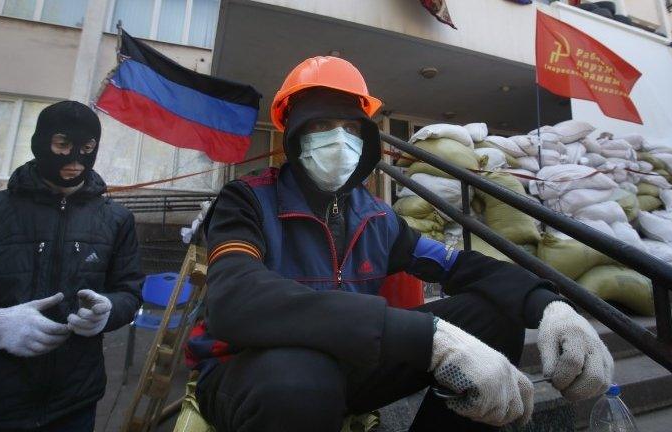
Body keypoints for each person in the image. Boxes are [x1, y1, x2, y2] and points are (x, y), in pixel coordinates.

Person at [184, 57, 613, 431]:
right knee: (300, 379)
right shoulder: (247, 200)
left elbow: (460, 266)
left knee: (494, 318)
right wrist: (425, 338)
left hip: (345, 366)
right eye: (320, 125)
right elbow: (236, 298)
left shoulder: (377, 219)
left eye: (350, 127)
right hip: (247, 372)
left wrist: (547, 304)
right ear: (294, 137)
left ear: (365, 139)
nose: (338, 140)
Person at [0, 101, 144, 431]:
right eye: (62, 144)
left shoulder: (116, 220)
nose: (75, 159)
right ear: (40, 142)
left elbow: (129, 292)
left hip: (73, 403)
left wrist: (108, 311)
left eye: (87, 148)